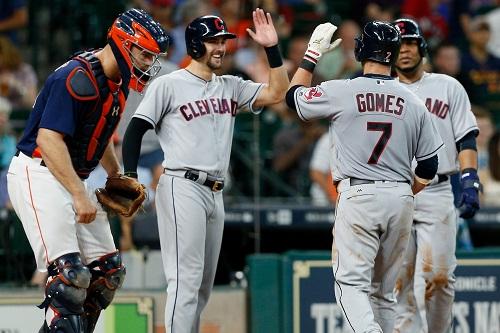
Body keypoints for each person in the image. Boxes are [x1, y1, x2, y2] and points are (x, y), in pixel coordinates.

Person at [121, 8, 289, 332]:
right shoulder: (170, 84)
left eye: (223, 41)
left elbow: (277, 92)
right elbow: (135, 130)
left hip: (215, 193)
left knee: (201, 288)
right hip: (181, 184)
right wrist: (129, 175)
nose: (221, 47)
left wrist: (272, 49)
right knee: (185, 281)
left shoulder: (230, 85)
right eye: (214, 41)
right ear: (196, 45)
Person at [6, 8, 169, 333]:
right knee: (70, 278)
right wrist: (80, 195)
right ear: (124, 43)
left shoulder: (118, 80)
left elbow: (100, 130)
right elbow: (49, 140)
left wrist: (113, 172)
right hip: (38, 172)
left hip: (69, 175)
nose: (149, 63)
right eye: (145, 53)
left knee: (107, 273)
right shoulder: (77, 77)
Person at [286, 21, 443, 332]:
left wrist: (312, 54)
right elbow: (429, 165)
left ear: (361, 50)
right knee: (384, 293)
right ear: (395, 53)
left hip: (359, 195)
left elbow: (293, 98)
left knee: (351, 285)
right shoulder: (413, 100)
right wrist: (405, 193)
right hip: (400, 197)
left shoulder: (343, 89)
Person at [391, 18, 480, 333]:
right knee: (398, 283)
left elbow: (466, 139)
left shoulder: (447, 86)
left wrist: (470, 178)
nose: (405, 50)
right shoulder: (381, 90)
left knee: (439, 278)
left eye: (411, 43)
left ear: (421, 47)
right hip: (396, 191)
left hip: (438, 189)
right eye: (399, 45)